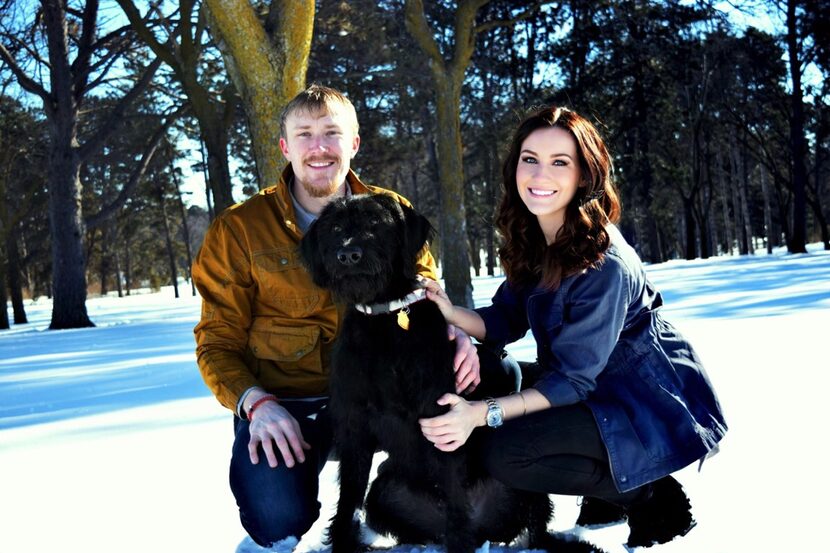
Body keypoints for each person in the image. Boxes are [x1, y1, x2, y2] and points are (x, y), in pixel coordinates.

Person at [419, 106, 727, 548]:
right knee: (482, 369)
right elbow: (504, 319)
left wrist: (482, 413)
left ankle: (648, 494)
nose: (540, 174)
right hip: (586, 381)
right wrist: (447, 312)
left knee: (508, 452)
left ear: (584, 174)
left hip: (639, 402)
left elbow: (572, 381)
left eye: (559, 162)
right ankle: (594, 487)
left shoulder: (605, 265)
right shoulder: (539, 236)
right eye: (530, 158)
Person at [191, 85, 481, 550]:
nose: (319, 147)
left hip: (390, 391)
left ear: (354, 143)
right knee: (275, 519)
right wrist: (256, 405)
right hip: (290, 405)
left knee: (495, 375)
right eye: (304, 134)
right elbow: (216, 341)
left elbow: (424, 290)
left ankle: (446, 495)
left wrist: (453, 331)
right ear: (285, 147)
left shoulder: (391, 209)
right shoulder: (238, 230)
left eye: (331, 133)